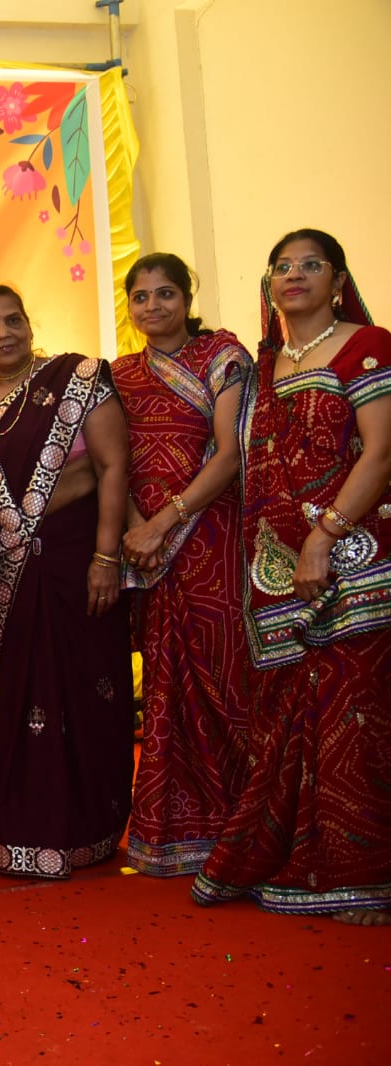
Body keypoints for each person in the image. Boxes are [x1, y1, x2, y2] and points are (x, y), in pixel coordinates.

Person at [193, 229, 391, 923]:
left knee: (358, 714)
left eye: (311, 264)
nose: (294, 274)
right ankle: (310, 861)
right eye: (283, 265)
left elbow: (381, 453)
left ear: (338, 282)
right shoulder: (264, 368)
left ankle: (369, 873)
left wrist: (323, 537)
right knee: (292, 718)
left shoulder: (369, 346)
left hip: (356, 558)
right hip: (275, 571)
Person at [0, 284, 134, 879]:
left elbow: (113, 466)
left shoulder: (78, 378)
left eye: (13, 320)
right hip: (4, 574)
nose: (3, 333)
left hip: (76, 562)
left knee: (90, 686)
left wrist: (106, 558)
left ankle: (92, 826)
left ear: (30, 324)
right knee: (23, 698)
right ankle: (28, 822)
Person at [112, 253, 254, 877]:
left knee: (226, 677)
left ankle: (249, 826)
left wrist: (163, 522)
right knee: (169, 685)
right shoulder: (121, 373)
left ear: (187, 297)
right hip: (147, 551)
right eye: (141, 297)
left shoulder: (222, 356)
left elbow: (229, 454)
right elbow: (112, 463)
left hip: (212, 537)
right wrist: (130, 532)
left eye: (166, 293)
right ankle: (178, 832)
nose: (153, 307)